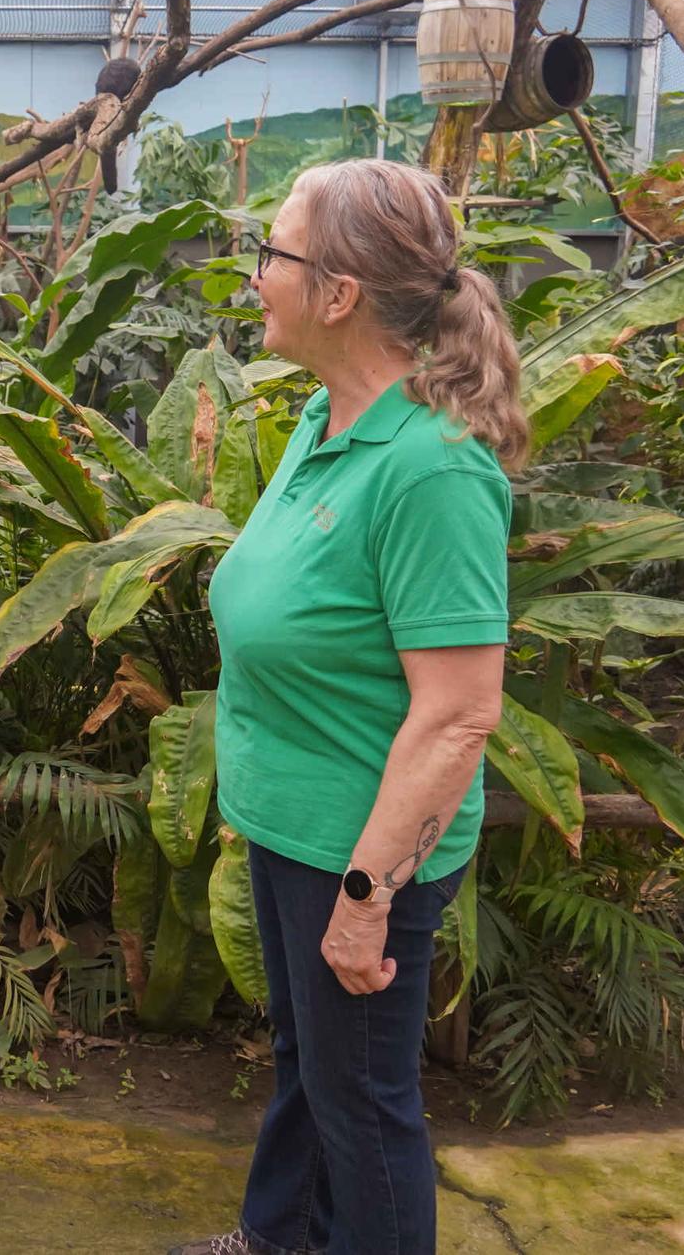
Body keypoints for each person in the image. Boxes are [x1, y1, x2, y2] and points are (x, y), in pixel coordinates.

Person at [174, 159, 526, 1255]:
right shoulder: (326, 421)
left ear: (336, 294)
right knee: (309, 1068)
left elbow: (459, 713)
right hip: (292, 829)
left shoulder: (430, 468)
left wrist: (368, 893)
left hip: (359, 853)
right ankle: (275, 1239)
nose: (254, 277)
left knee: (365, 1109)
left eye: (271, 255)